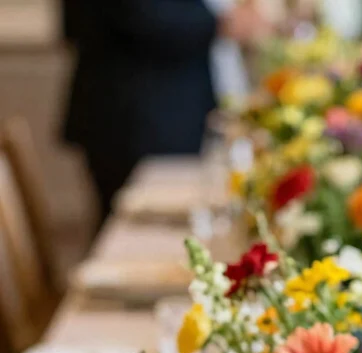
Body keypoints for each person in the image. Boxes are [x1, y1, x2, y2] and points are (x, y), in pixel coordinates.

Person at [62, 0, 271, 221]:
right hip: (138, 113)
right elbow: (142, 14)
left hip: (171, 108)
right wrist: (222, 23)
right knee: (137, 226)